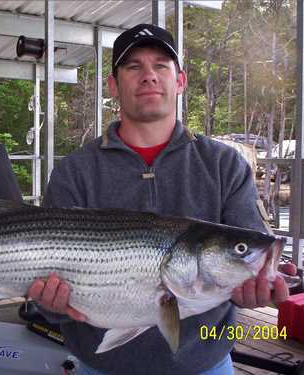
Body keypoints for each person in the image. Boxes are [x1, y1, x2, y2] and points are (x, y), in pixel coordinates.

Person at [28, 24, 296, 375]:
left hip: (206, 364)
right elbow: (45, 290)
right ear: (113, 85)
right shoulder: (76, 171)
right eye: (133, 66)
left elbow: (247, 251)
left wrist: (254, 285)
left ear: (180, 81)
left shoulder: (223, 165)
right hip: (99, 367)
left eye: (161, 65)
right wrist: (50, 305)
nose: (149, 76)